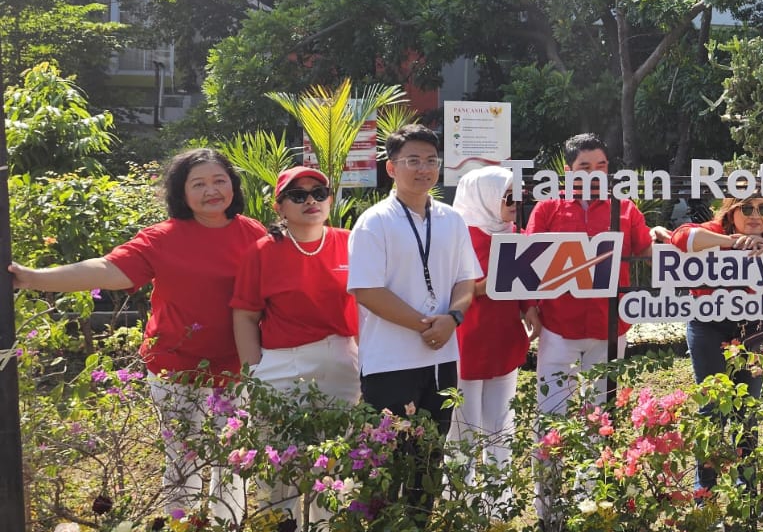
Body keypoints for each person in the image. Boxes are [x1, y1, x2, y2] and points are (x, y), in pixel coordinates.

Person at [9, 148, 267, 510]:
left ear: (233, 186)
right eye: (198, 184)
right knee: (183, 459)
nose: (212, 190)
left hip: (237, 367)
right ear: (181, 193)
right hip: (177, 368)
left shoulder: (252, 232)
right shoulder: (162, 238)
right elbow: (107, 269)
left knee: (233, 459)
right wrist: (34, 278)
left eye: (219, 181)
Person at [346, 125, 479, 455]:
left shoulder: (453, 219)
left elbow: (466, 279)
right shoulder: (374, 222)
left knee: (431, 460)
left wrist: (453, 318)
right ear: (392, 168)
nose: (424, 169)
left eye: (431, 160)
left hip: (442, 359)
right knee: (388, 462)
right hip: (389, 362)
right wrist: (427, 325)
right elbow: (368, 291)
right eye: (413, 161)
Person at [523, 133, 663, 418]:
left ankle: (598, 451)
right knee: (551, 413)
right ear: (568, 171)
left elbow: (647, 251)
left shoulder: (625, 207)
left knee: (600, 416)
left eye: (601, 166)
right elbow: (528, 262)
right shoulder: (548, 208)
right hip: (558, 324)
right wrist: (529, 307)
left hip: (609, 326)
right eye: (585, 167)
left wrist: (671, 242)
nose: (595, 174)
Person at [671, 191, 763, 488]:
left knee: (747, 409)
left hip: (756, 325)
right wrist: (733, 242)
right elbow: (681, 238)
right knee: (712, 408)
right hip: (707, 324)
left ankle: (747, 492)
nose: (756, 215)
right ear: (730, 212)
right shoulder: (716, 229)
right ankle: (705, 492)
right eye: (746, 208)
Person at [231, 166, 361, 405]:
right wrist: (253, 374)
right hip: (284, 363)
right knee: (272, 430)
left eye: (319, 193)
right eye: (298, 196)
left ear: (329, 200)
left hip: (343, 361)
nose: (311, 201)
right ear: (279, 208)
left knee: (347, 429)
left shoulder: (351, 242)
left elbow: (366, 309)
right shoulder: (262, 251)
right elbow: (246, 316)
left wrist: (367, 364)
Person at [449, 165, 533, 503]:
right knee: (463, 429)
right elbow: (454, 289)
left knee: (502, 425)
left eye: (518, 196)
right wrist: (493, 280)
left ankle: (500, 502)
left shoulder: (515, 234)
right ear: (485, 197)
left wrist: (530, 308)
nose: (515, 204)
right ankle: (461, 502)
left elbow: (524, 280)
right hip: (467, 342)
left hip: (504, 339)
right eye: (508, 197)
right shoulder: (458, 236)